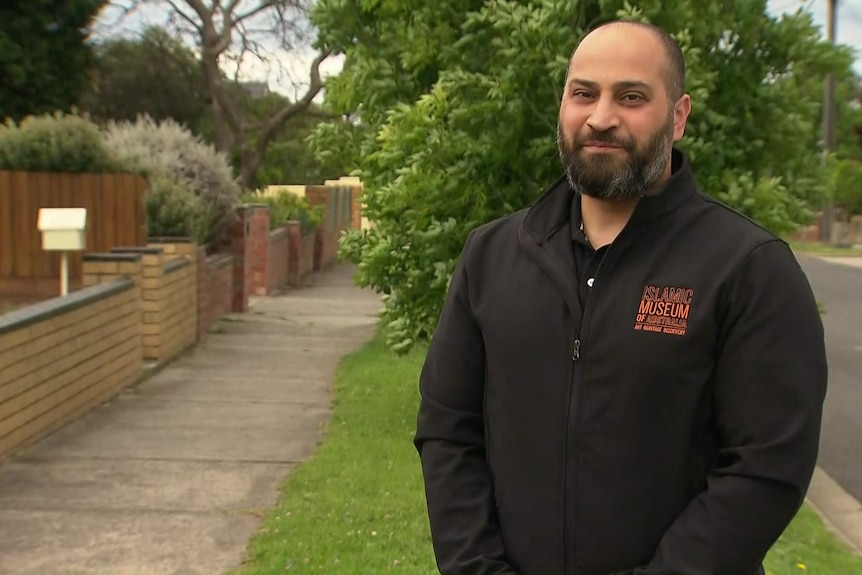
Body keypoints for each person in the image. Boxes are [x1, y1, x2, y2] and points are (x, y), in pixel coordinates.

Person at [413, 19, 828, 575]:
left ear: (678, 117)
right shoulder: (490, 258)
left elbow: (765, 470)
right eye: (583, 93)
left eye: (630, 97)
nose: (601, 117)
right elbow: (448, 431)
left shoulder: (749, 270)